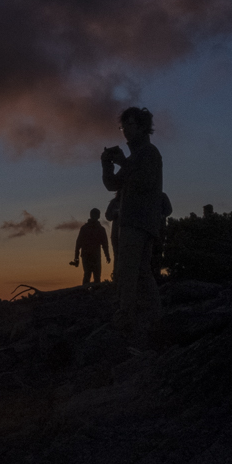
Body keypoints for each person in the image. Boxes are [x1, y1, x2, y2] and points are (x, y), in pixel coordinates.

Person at [102, 106, 162, 340]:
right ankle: (154, 319)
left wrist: (123, 163)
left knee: (129, 271)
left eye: (129, 125)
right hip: (136, 222)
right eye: (123, 126)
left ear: (142, 126)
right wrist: (107, 164)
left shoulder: (148, 153)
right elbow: (113, 185)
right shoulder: (137, 156)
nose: (125, 130)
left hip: (139, 222)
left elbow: (144, 182)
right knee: (141, 272)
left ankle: (126, 316)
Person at [73, 208, 111, 286]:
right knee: (90, 275)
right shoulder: (87, 228)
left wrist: (107, 255)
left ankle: (92, 293)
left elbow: (105, 244)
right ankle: (87, 293)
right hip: (89, 255)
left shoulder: (99, 229)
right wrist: (76, 258)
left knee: (93, 276)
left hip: (92, 255)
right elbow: (78, 244)